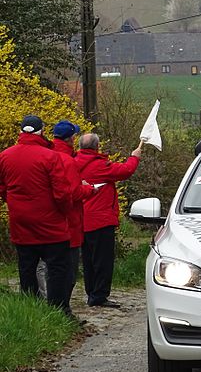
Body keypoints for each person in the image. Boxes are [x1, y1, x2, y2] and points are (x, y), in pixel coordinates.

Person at [0, 115, 73, 312]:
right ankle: (59, 310)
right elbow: (62, 193)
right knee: (57, 268)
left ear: (21, 131)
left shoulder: (5, 156)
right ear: (42, 131)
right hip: (51, 224)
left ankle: (31, 310)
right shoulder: (51, 156)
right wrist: (65, 212)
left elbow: (3, 188)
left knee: (27, 267)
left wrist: (15, 205)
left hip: (21, 222)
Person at [75, 133, 142, 308]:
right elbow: (125, 170)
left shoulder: (72, 162)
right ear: (96, 147)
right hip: (101, 220)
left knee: (89, 260)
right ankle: (99, 295)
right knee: (103, 260)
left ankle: (91, 292)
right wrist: (134, 157)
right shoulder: (99, 166)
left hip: (82, 220)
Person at [52, 119, 95, 310]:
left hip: (49, 222)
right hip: (69, 222)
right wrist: (88, 190)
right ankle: (63, 309)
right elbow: (73, 193)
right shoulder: (67, 161)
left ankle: (52, 307)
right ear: (70, 138)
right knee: (67, 271)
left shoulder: (48, 154)